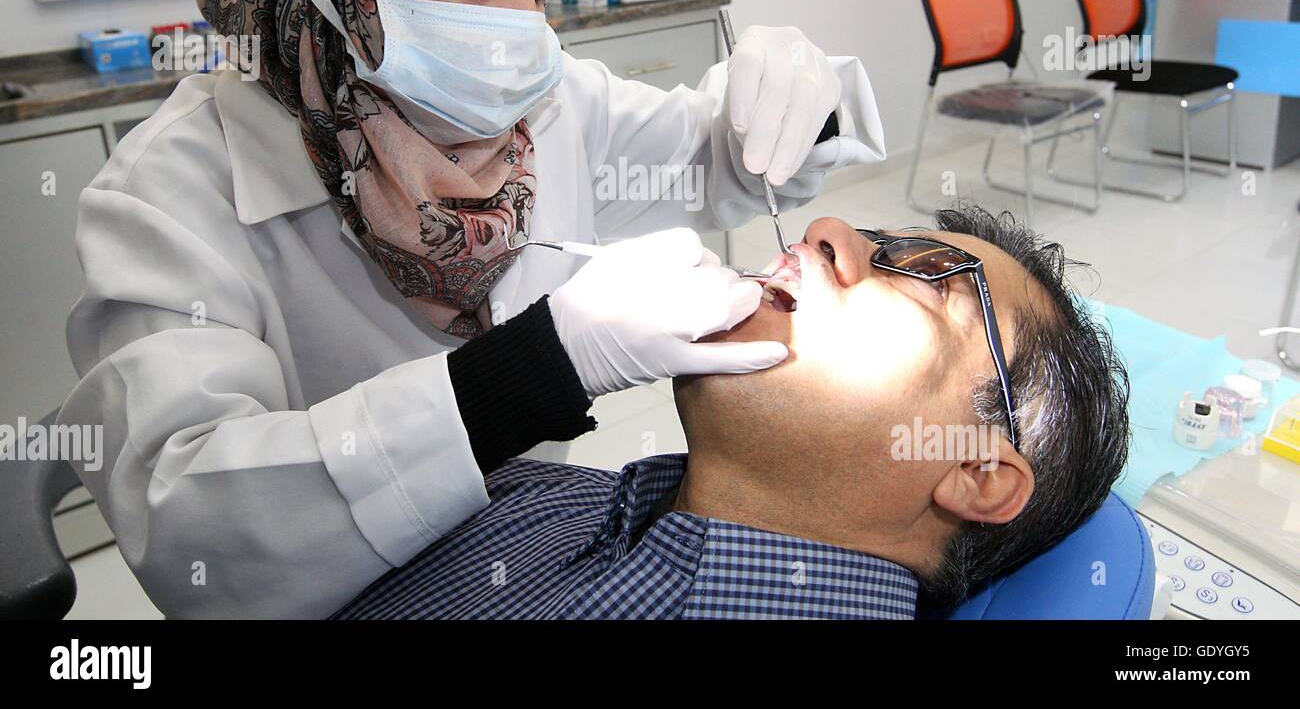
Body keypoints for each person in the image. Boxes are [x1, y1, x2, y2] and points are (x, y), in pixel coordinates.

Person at [59, 0, 884, 618]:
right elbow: (198, 536)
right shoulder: (168, 195)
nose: (528, 32)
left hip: (521, 564)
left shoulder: (550, 113)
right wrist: (528, 374)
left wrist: (801, 98)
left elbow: (718, 156)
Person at [334, 205, 1131, 619]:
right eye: (875, 236)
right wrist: (523, 373)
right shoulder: (565, 499)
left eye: (928, 279)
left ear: (977, 471)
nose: (829, 233)